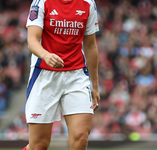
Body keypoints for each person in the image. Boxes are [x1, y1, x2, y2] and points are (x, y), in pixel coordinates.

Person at [23, 0, 100, 149]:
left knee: (81, 137)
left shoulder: (88, 4)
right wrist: (46, 56)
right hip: (44, 75)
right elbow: (32, 41)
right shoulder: (41, 2)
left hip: (76, 76)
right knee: (39, 145)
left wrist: (95, 85)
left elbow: (90, 46)